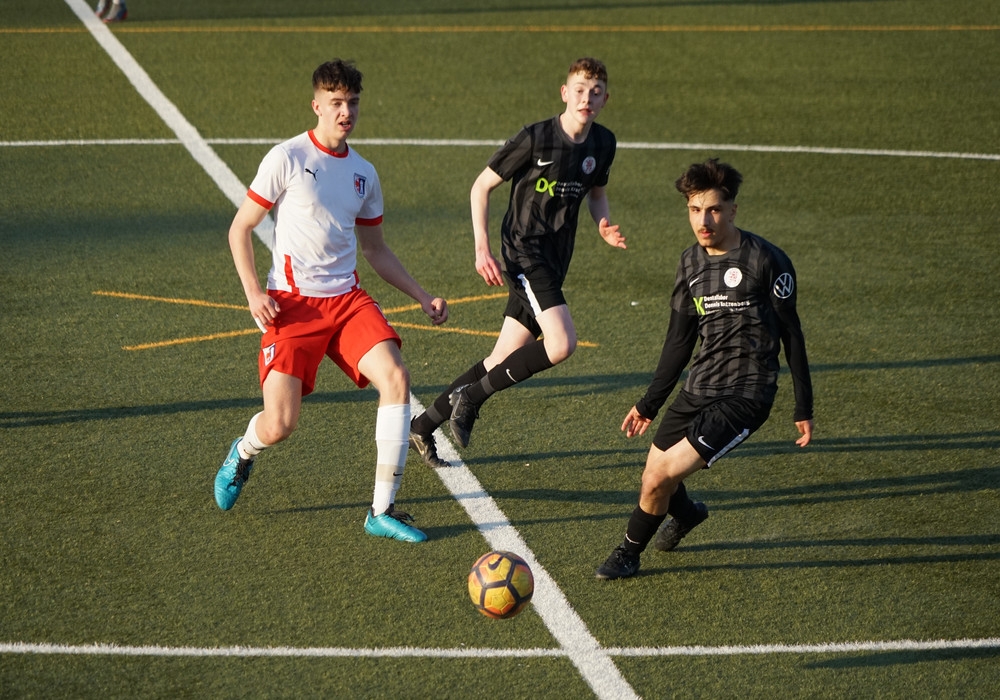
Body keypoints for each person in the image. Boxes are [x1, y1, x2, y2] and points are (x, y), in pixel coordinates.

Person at [214, 59, 448, 544]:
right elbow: (240, 229)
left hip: (346, 302)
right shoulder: (286, 157)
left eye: (353, 103)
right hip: (291, 306)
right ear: (316, 105)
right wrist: (254, 292)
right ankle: (243, 451)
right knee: (280, 425)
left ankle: (381, 510)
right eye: (337, 103)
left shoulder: (364, 173)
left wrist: (421, 295)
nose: (346, 112)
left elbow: (376, 250)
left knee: (396, 377)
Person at [595, 159, 814, 580]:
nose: (704, 221)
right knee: (654, 474)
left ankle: (627, 554)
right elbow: (679, 341)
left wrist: (803, 405)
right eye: (695, 210)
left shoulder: (766, 260)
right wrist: (649, 404)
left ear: (732, 210)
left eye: (713, 210)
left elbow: (793, 334)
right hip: (700, 386)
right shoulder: (690, 263)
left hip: (746, 395)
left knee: (657, 480)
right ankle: (688, 514)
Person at [407, 57, 625, 467]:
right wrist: (482, 248)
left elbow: (597, 194)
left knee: (501, 359)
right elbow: (481, 186)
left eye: (595, 92)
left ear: (605, 99)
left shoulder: (603, 144)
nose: (587, 99)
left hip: (556, 260)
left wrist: (603, 225)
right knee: (561, 343)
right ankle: (472, 399)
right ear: (565, 93)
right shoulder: (536, 137)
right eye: (580, 90)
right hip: (524, 252)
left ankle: (423, 425)